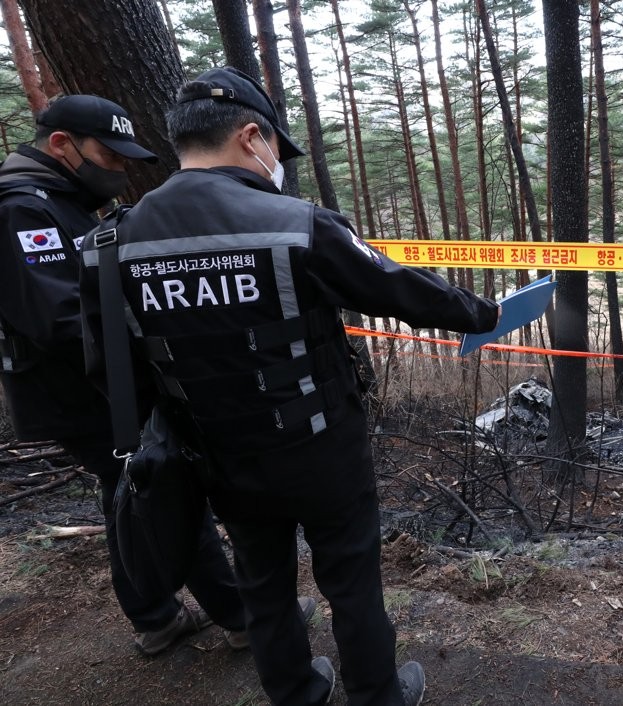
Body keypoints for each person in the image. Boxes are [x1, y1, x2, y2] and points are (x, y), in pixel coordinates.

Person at [79, 67, 500, 706]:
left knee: (261, 580)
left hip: (215, 454)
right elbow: (400, 289)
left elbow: (107, 369)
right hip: (320, 444)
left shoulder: (107, 244)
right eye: (276, 144)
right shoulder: (296, 223)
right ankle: (377, 694)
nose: (277, 160)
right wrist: (485, 314)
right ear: (252, 137)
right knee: (352, 576)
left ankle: (297, 693)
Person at [0, 95, 249, 655]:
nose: (118, 170)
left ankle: (156, 616)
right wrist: (153, 337)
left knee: (126, 490)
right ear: (62, 144)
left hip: (96, 383)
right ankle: (241, 615)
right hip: (81, 390)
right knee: (164, 484)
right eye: (109, 157)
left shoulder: (62, 200)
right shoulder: (23, 207)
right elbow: (60, 317)